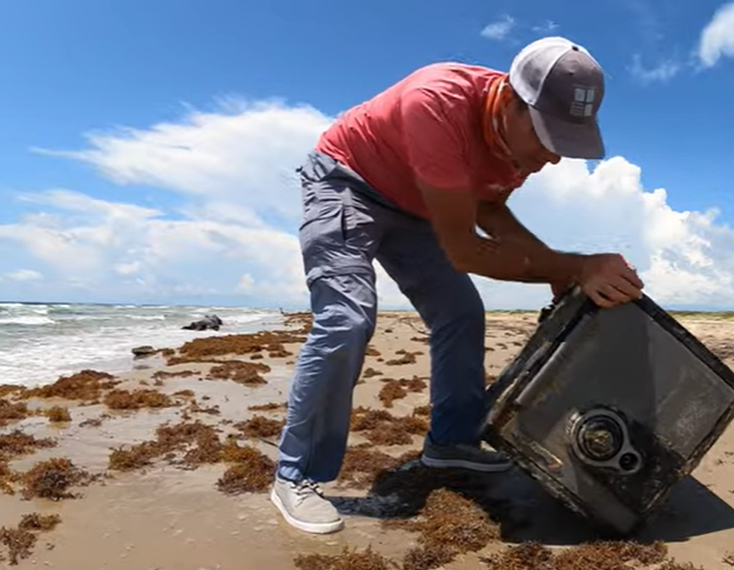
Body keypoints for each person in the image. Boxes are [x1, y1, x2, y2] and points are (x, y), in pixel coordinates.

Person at [271, 35, 645, 534]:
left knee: (462, 313)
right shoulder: (437, 103)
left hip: (420, 208)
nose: (551, 159)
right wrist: (575, 268)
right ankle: (293, 475)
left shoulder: (516, 145)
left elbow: (489, 207)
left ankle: (450, 443)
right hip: (347, 182)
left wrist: (562, 272)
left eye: (563, 143)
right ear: (510, 101)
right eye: (545, 136)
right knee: (347, 319)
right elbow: (465, 251)